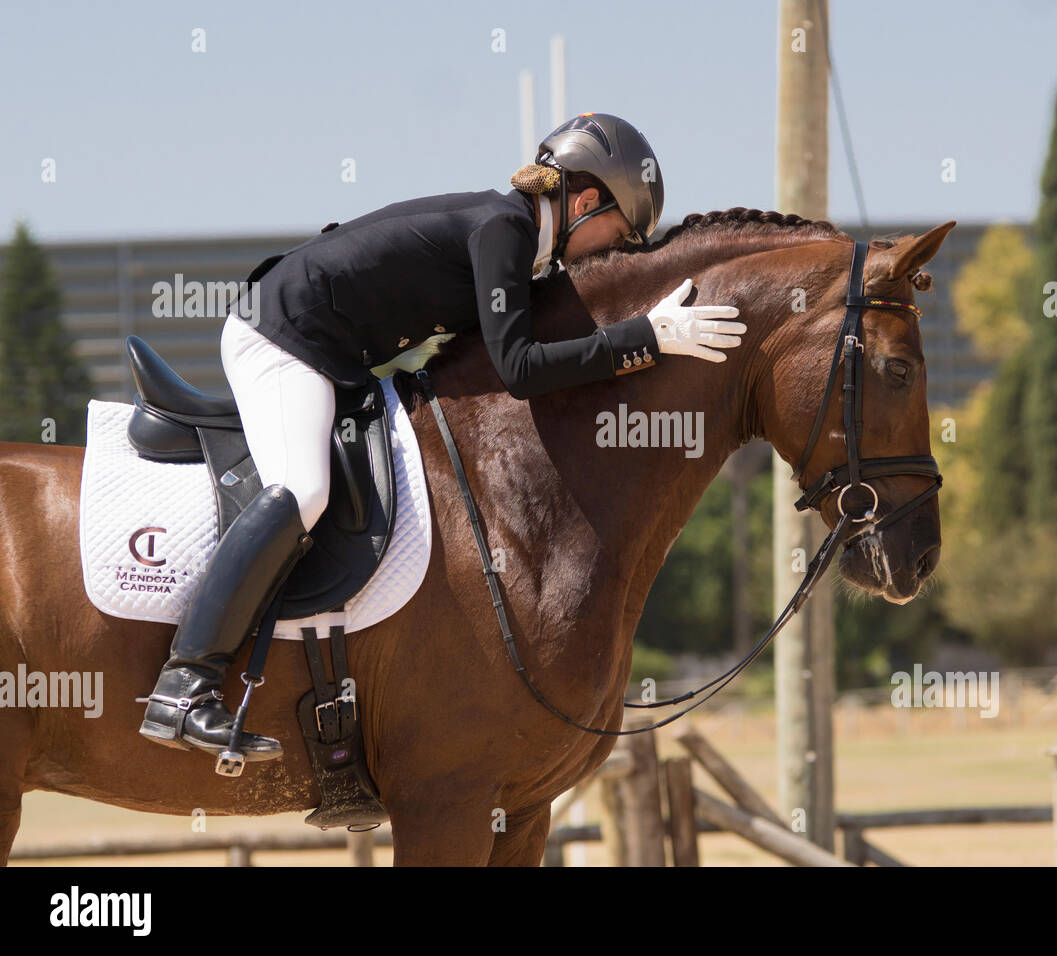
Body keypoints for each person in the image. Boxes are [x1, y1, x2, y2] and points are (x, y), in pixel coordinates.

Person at [137, 112, 748, 759]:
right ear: (587, 200)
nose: (612, 253)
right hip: (286, 335)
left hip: (329, 352)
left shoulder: (514, 241)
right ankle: (185, 684)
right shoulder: (505, 230)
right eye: (620, 235)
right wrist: (643, 338)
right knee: (304, 489)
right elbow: (519, 368)